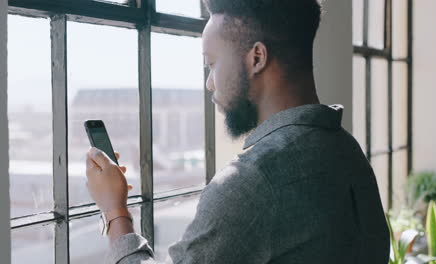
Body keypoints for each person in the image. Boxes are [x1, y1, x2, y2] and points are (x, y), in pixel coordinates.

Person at [85, 0, 390, 263]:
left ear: (257, 58)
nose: (209, 83)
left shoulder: (254, 179)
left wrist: (115, 211)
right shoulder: (346, 150)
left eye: (212, 63)